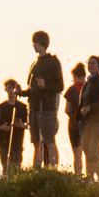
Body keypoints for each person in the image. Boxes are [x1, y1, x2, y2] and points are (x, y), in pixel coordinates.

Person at [26, 31, 64, 166]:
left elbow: (60, 86)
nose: (33, 45)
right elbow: (31, 90)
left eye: (35, 42)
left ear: (42, 43)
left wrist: (46, 86)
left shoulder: (53, 62)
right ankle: (36, 169)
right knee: (36, 142)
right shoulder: (34, 64)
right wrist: (21, 92)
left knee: (48, 141)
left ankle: (53, 169)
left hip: (47, 108)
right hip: (34, 107)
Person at [78, 53, 99, 178]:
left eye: (93, 63)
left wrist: (90, 107)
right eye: (89, 63)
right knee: (87, 149)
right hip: (88, 121)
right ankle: (90, 177)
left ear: (98, 66)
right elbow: (82, 103)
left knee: (94, 150)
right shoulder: (87, 83)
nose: (90, 65)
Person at [0, 78, 28, 174]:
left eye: (13, 88)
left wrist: (21, 125)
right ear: (5, 89)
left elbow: (29, 125)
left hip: (17, 142)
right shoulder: (0, 107)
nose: (11, 91)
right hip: (3, 141)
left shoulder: (23, 107)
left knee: (17, 168)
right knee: (6, 167)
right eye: (9, 88)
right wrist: (2, 127)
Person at [64, 59, 88, 166]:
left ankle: (78, 175)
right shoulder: (89, 88)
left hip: (74, 125)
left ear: (74, 75)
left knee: (77, 153)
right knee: (89, 152)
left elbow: (67, 110)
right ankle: (89, 175)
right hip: (88, 124)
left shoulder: (71, 90)